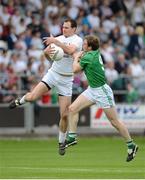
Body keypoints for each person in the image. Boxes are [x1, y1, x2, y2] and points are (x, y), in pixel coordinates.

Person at [9, 18, 83, 156]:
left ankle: (61, 142)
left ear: (74, 29)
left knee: (65, 115)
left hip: (66, 80)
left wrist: (56, 42)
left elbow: (69, 50)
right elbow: (46, 54)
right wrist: (48, 54)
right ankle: (20, 101)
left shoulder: (77, 40)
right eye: (63, 27)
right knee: (32, 97)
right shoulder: (58, 38)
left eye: (67, 27)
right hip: (53, 74)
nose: (64, 29)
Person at [65, 35, 138, 162]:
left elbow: (75, 69)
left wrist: (76, 56)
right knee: (72, 109)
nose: (83, 45)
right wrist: (78, 55)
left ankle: (131, 146)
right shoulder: (94, 52)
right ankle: (72, 137)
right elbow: (83, 56)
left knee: (114, 122)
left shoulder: (89, 56)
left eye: (85, 44)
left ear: (90, 47)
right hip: (92, 90)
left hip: (102, 91)